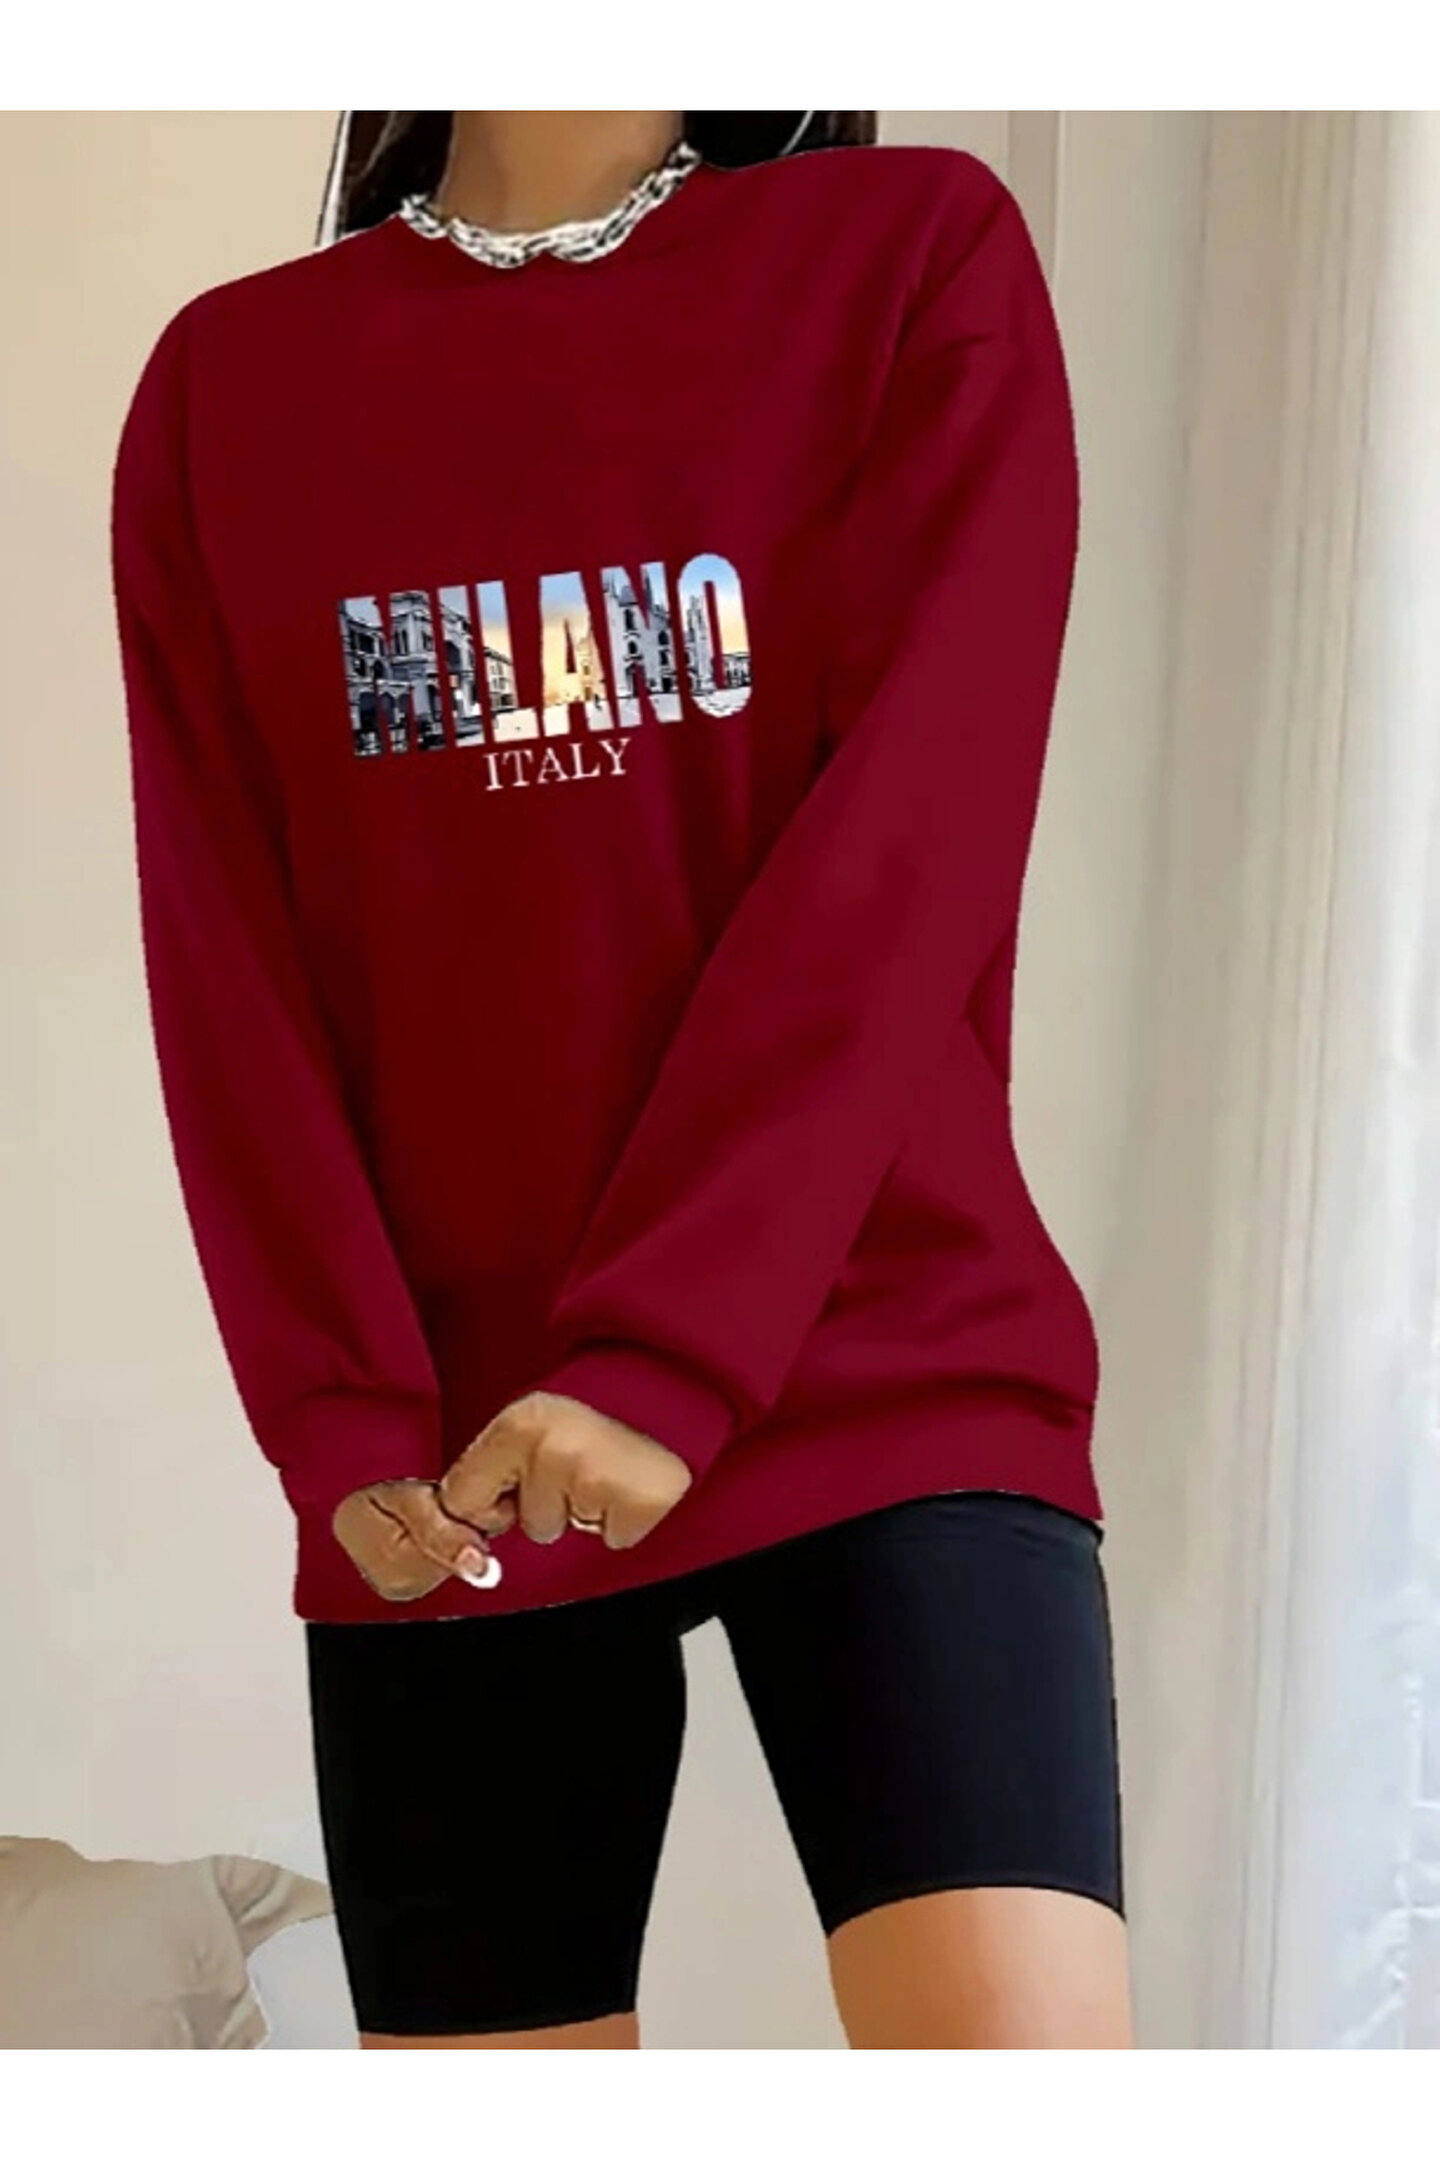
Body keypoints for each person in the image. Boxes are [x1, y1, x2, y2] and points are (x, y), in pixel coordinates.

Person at [110, 108, 1134, 2049]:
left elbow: (913, 832)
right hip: (442, 1451)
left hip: (880, 1345)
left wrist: (669, 1343)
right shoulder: (229, 386)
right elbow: (225, 956)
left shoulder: (904, 253)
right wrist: (336, 1410)